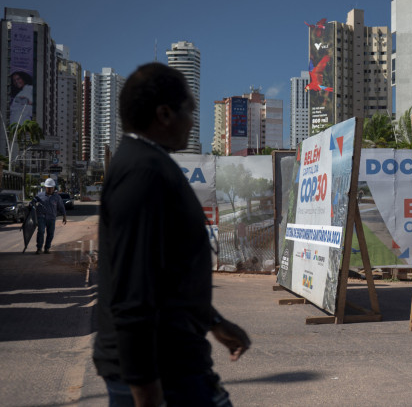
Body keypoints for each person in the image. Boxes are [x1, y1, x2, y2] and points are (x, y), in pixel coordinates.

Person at [94, 63, 250, 406]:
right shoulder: (143, 173)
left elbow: (167, 277)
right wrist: (147, 394)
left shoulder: (148, 164)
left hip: (174, 365)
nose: (192, 121)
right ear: (164, 114)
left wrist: (213, 321)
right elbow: (132, 293)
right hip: (163, 374)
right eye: (189, 111)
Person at [33, 178, 66, 254]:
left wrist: (64, 216)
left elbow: (61, 207)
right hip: (41, 217)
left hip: (51, 218)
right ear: (45, 187)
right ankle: (39, 248)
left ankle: (47, 248)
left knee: (50, 233)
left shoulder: (57, 197)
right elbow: (33, 202)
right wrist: (32, 204)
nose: (50, 189)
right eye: (48, 188)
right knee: (41, 231)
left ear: (54, 188)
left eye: (51, 188)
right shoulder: (39, 195)